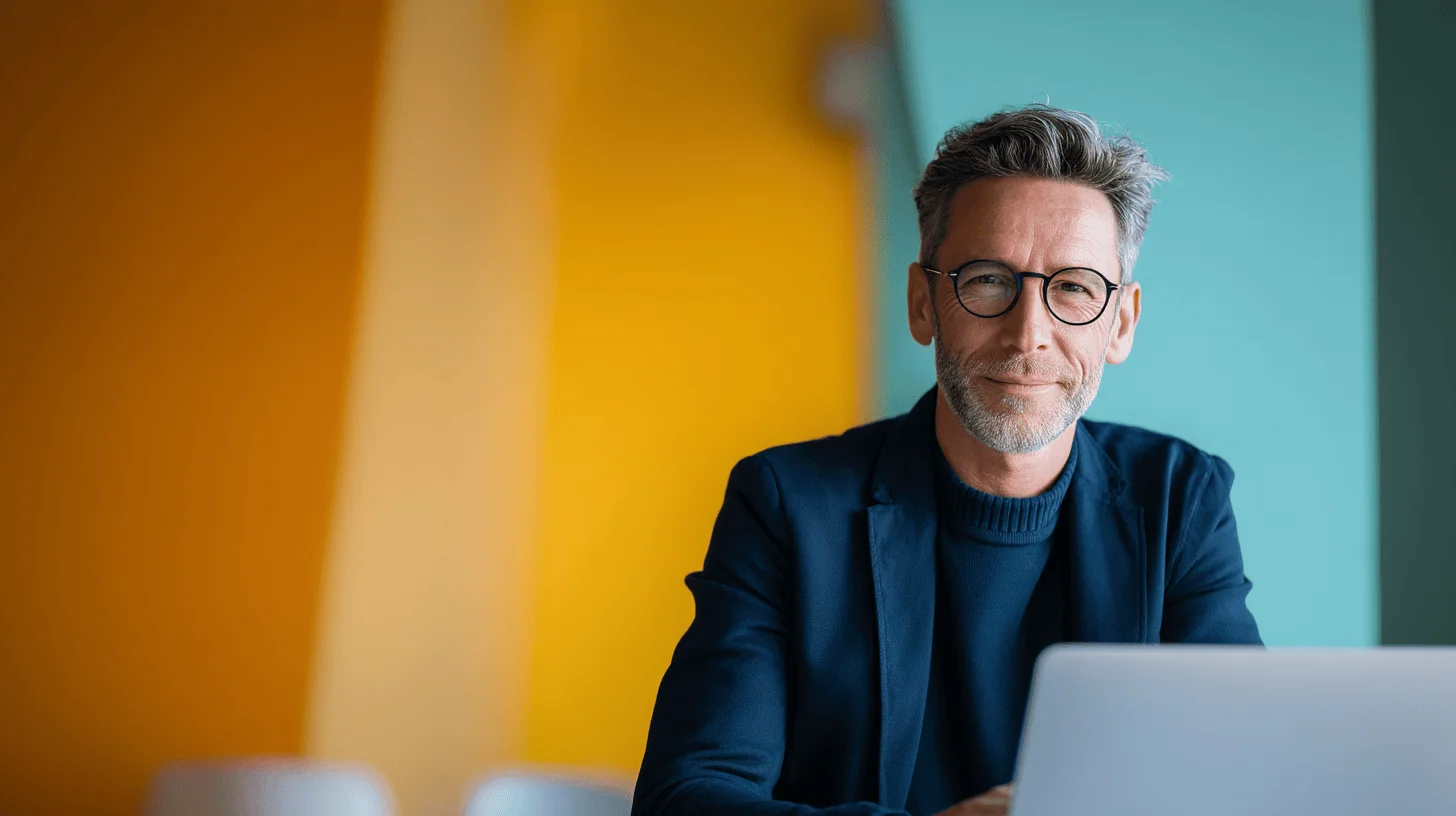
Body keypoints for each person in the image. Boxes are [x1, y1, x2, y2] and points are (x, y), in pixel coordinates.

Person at [630, 104, 1262, 816]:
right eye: (989, 280)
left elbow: (1237, 777)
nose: (1030, 336)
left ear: (1121, 323)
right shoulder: (786, 504)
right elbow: (687, 797)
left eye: (1075, 288)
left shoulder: (1182, 499)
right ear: (923, 302)